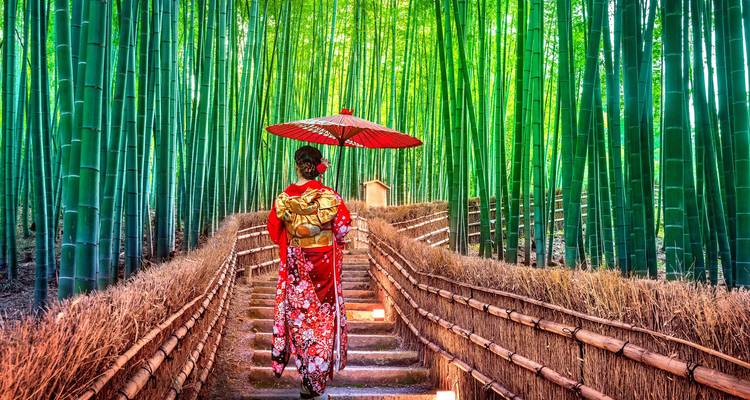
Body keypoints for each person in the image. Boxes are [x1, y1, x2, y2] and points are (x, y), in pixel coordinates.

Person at [266, 145, 352, 400]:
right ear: (318, 168)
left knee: (299, 319)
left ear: (297, 166)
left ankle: (306, 374)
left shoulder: (285, 197)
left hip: (296, 265)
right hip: (323, 265)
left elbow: (273, 230)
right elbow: (343, 230)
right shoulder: (329, 196)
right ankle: (317, 378)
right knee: (323, 320)